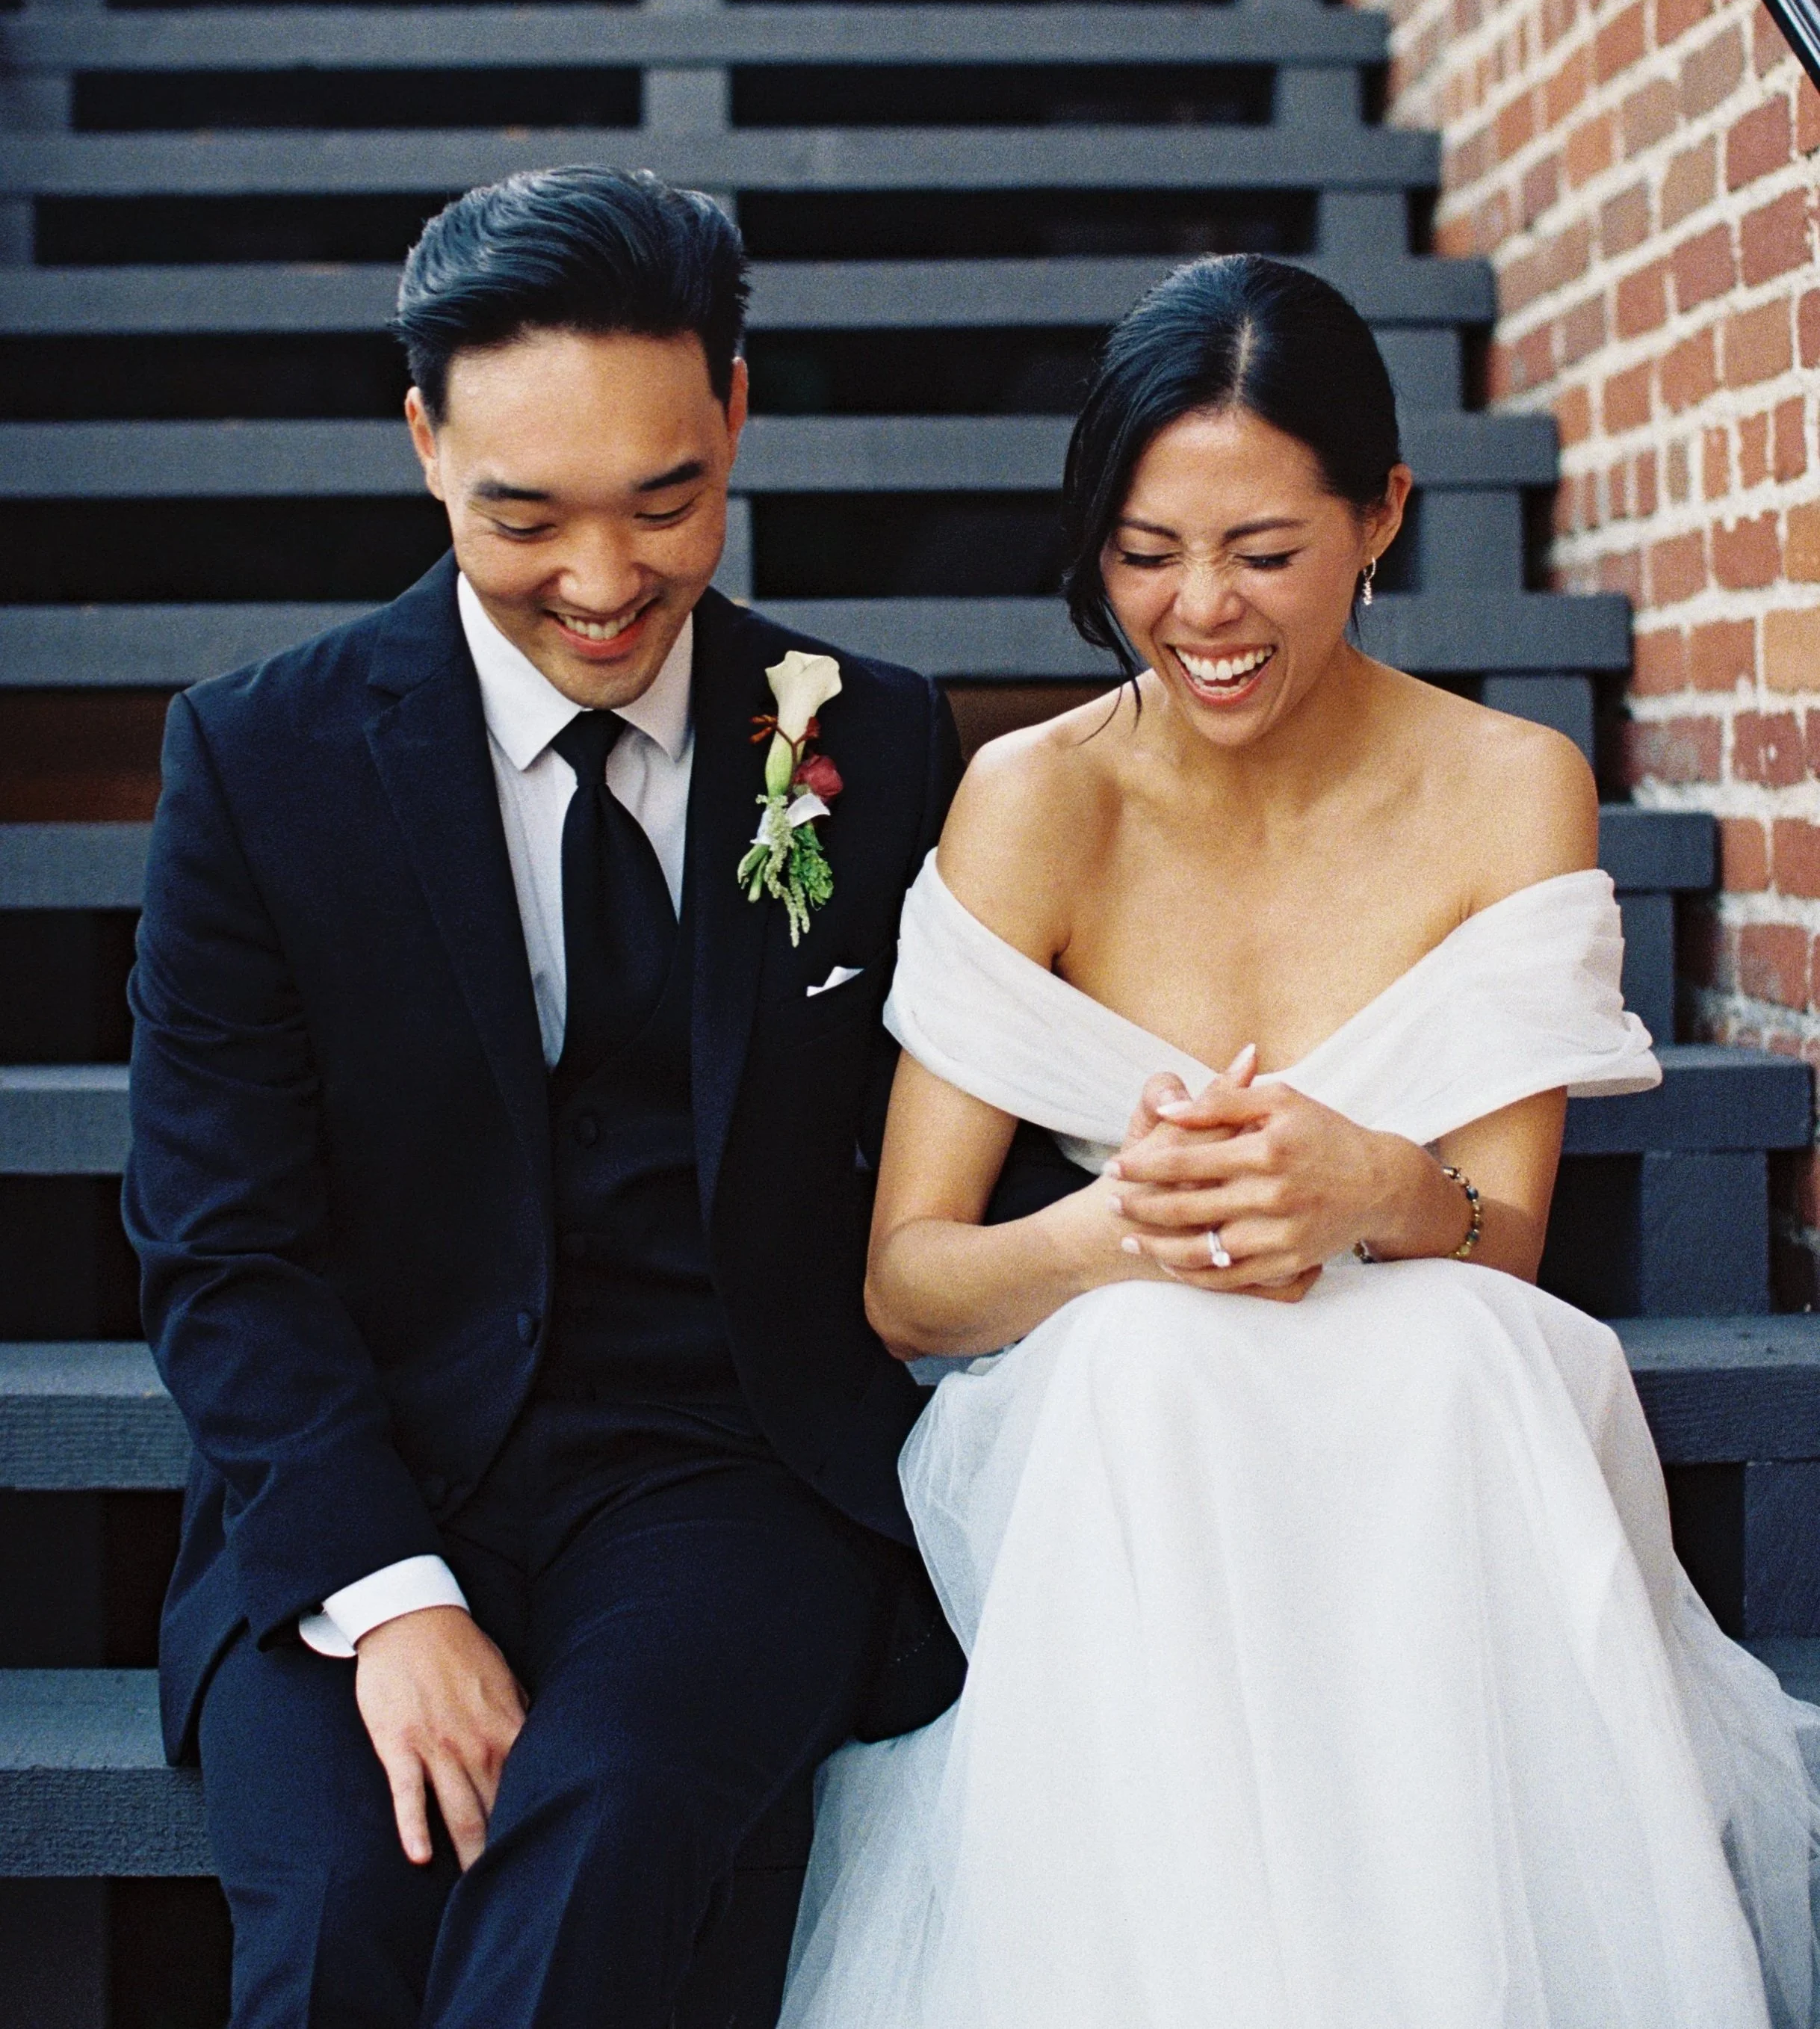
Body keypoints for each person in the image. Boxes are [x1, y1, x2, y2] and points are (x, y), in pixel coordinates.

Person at [779, 252, 1820, 2029]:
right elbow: (907, 1282)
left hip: (1422, 1363)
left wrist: (1375, 1184)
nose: (1202, 612)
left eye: (1264, 552)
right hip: (1124, 1393)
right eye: (1143, 552)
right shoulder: (1031, 798)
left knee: (1458, 1353)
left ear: (1382, 514)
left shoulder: (1510, 782)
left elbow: (1506, 1236)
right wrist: (1119, 1231)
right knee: (1147, 1368)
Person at [124, 167, 977, 2029]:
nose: (603, 582)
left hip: (725, 1463)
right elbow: (220, 1242)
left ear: (737, 412)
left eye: (668, 499)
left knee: (598, 1831)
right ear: (425, 443)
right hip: (371, 1460)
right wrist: (392, 1591)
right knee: (353, 1909)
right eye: (525, 515)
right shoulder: (259, 761)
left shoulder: (869, 738)